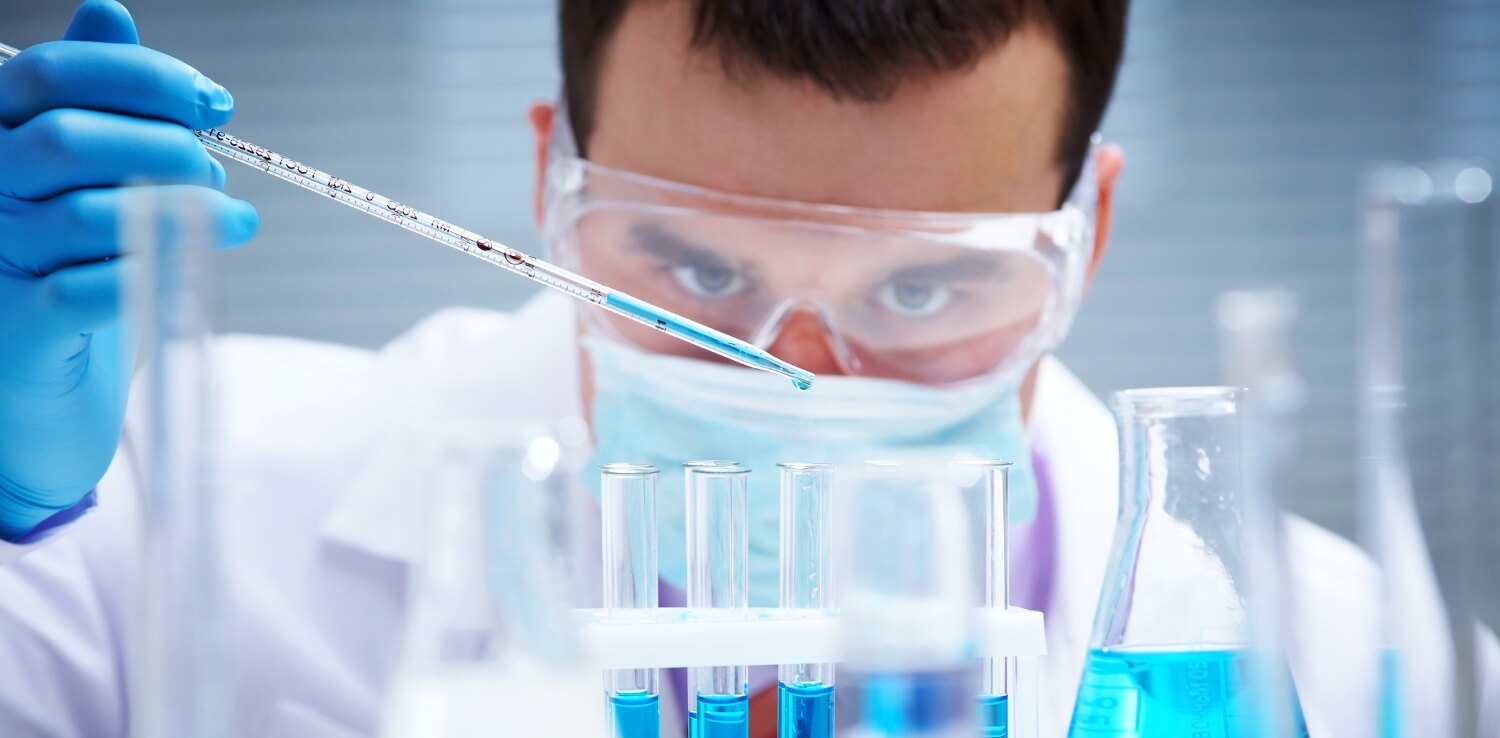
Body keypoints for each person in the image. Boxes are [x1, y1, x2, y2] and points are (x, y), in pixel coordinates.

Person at [0, 1, 1463, 736]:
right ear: (545, 181)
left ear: (1086, 235)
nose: (800, 377)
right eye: (699, 272)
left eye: (923, 280)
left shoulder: (1341, 657)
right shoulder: (153, 515)